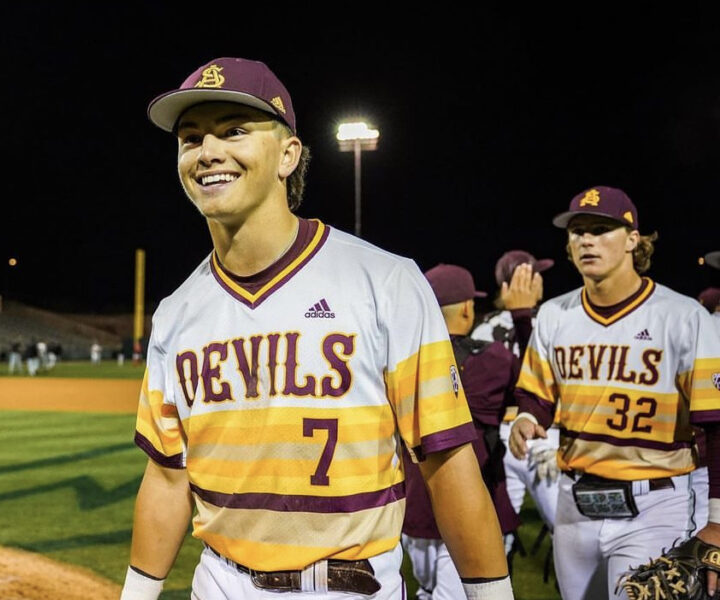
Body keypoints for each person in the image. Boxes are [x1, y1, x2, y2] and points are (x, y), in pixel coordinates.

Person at [124, 57, 511, 600]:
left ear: (288, 155)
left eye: (234, 131)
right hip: (219, 583)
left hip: (350, 587)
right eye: (190, 139)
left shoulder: (385, 280)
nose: (208, 152)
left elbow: (446, 459)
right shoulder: (177, 311)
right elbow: (167, 477)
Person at [509, 185, 720, 600]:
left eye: (601, 229)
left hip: (655, 504)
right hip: (574, 501)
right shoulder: (555, 314)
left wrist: (717, 522)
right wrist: (526, 418)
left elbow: (716, 428)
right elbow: (537, 398)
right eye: (577, 231)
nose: (586, 239)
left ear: (633, 239)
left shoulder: (683, 316)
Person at [403, 264, 521, 600]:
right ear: (468, 308)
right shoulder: (496, 358)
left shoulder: (403, 359)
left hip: (416, 507)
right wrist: (522, 317)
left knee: (427, 592)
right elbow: (536, 388)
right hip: (477, 504)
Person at [471, 251, 560, 533]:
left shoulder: (484, 328)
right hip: (544, 433)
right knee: (565, 530)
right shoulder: (549, 321)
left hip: (499, 437)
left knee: (498, 533)